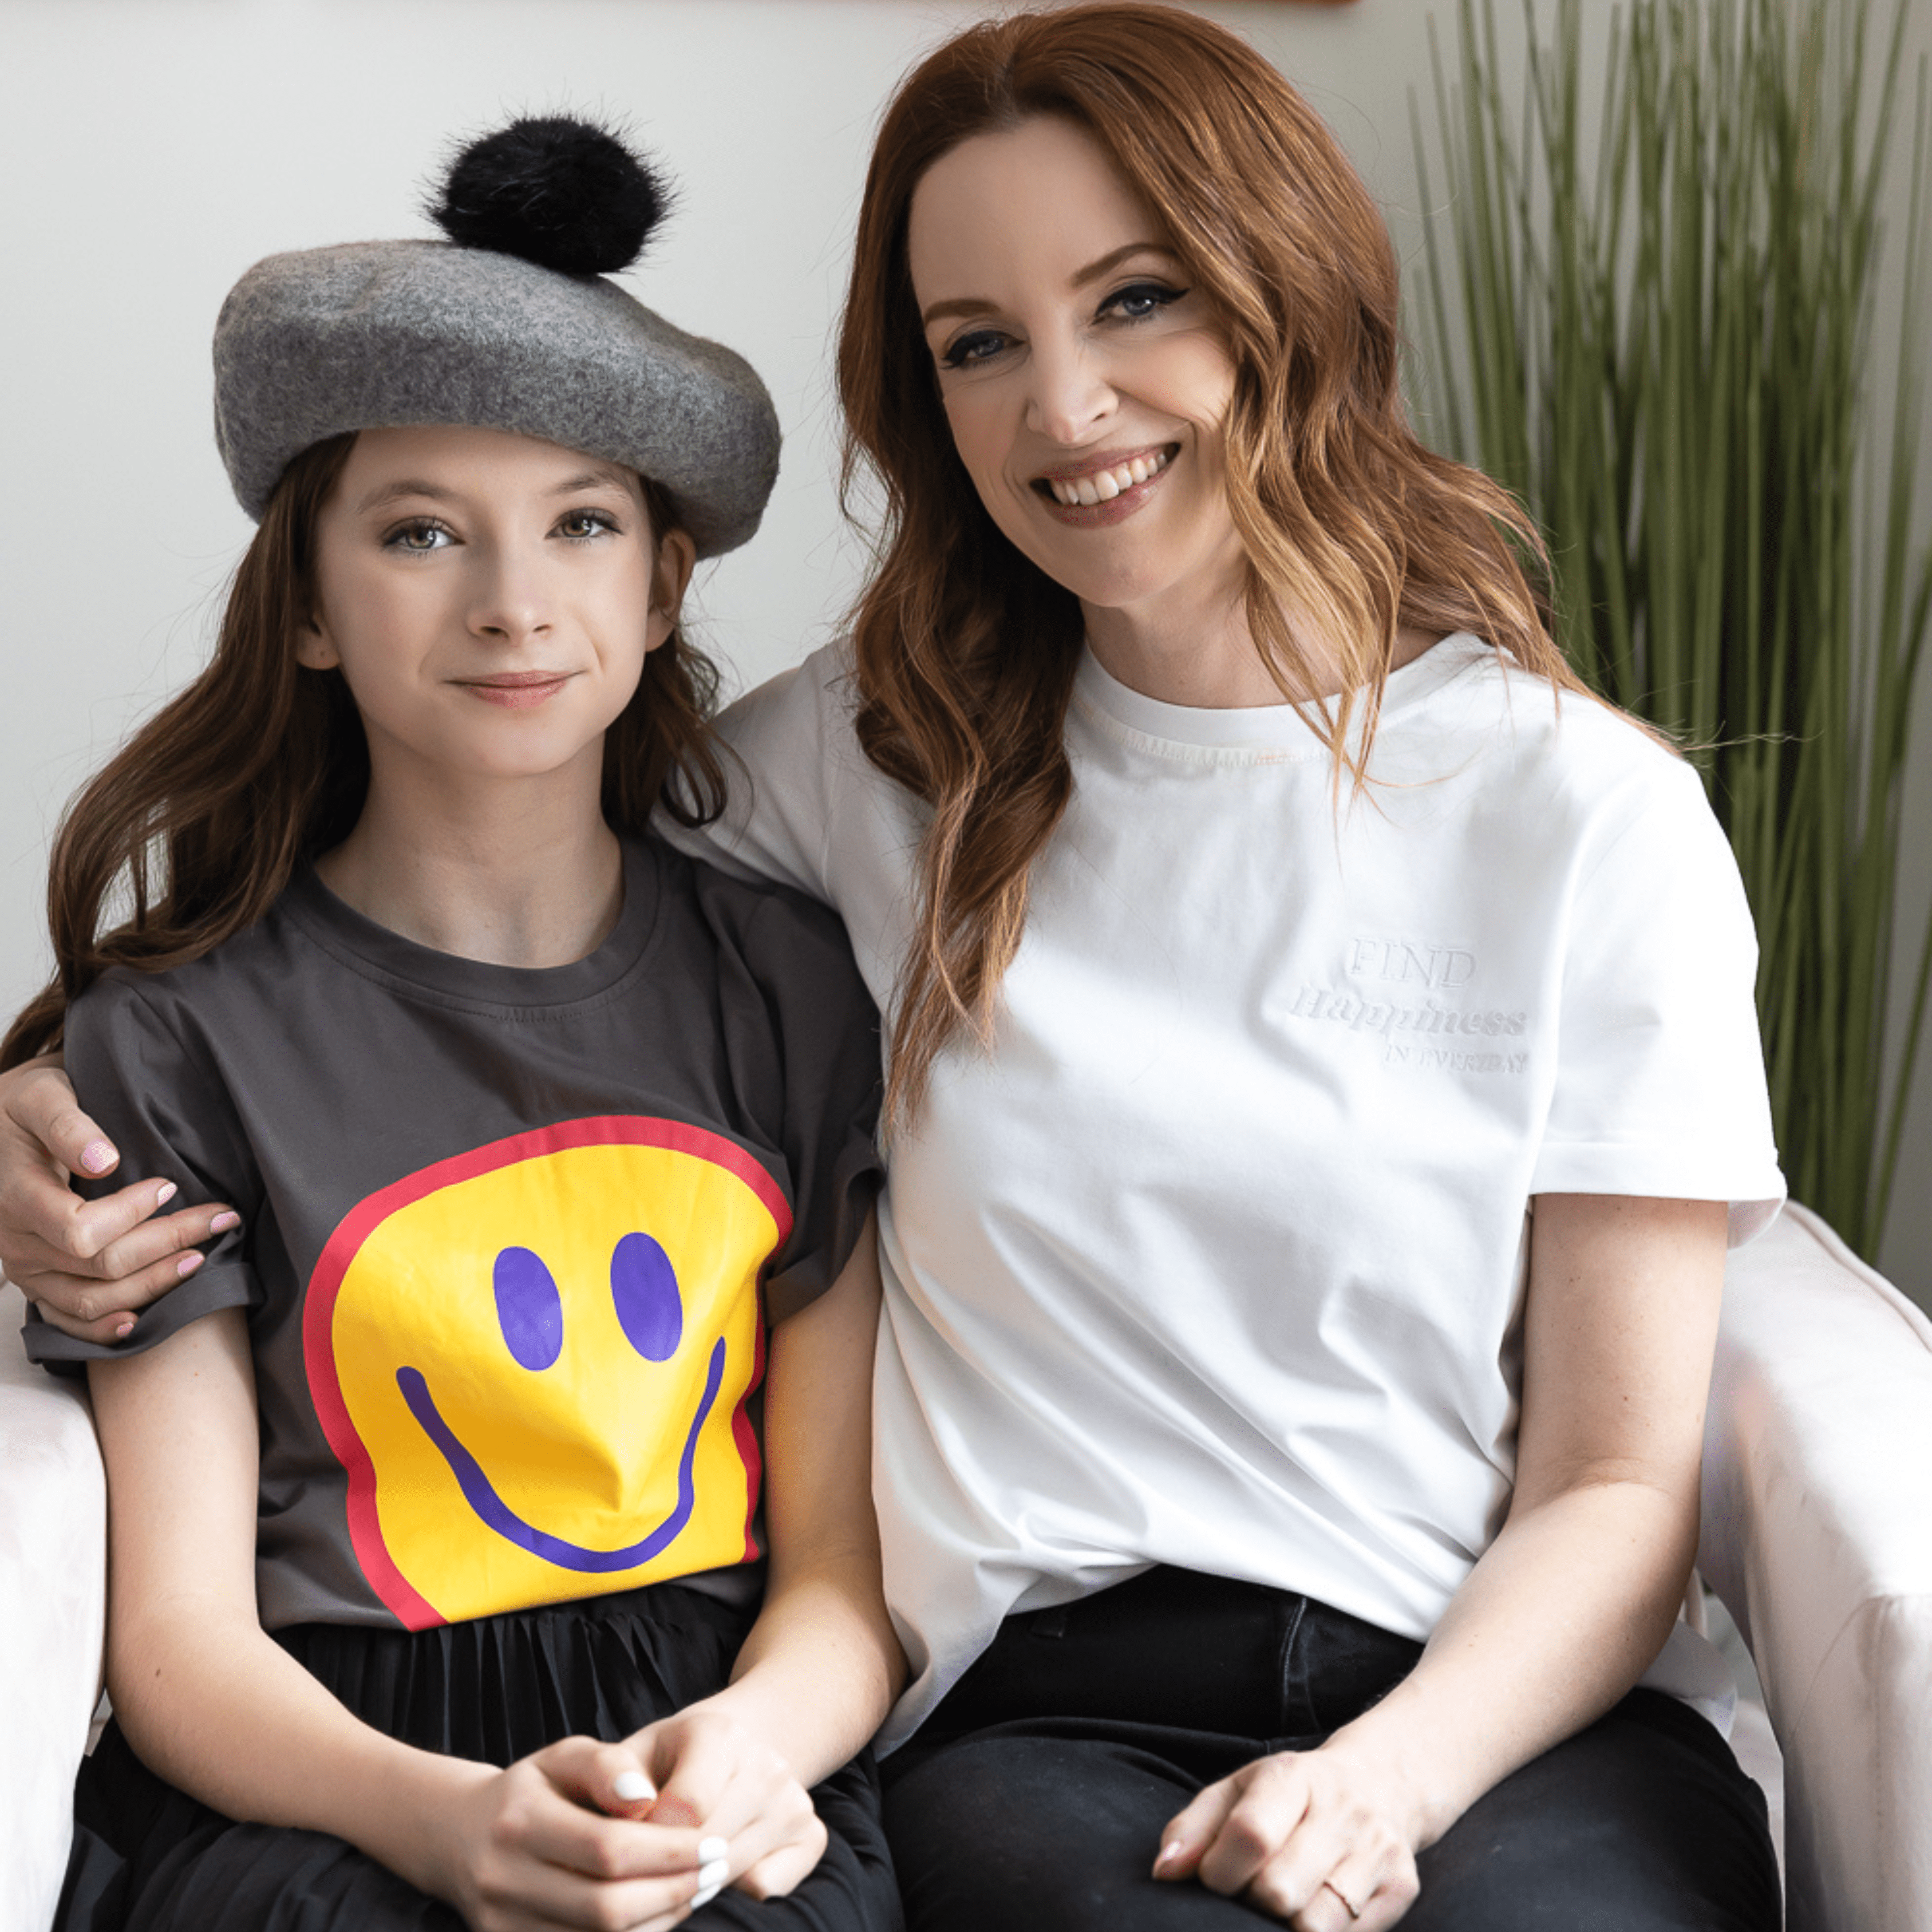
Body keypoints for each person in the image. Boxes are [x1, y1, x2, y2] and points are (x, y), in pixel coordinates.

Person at [2, 8, 1787, 1930]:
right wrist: (35, 1113)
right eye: (979, 346)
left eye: (1135, 299)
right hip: (1041, 1711)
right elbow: (468, 875)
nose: (1065, 407)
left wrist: (1381, 1781)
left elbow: (1618, 1481)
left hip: (1487, 1712)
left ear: (1293, 291)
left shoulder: (1584, 817)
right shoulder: (871, 754)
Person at [0, 117, 903, 1932]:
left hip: (707, 1748)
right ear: (315, 603)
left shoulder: (789, 986)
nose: (511, 601)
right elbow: (176, 1639)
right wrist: (446, 1821)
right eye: (421, 532)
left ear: (661, 587)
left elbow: (842, 1578)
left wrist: (751, 1752)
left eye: (581, 523)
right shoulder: (171, 1045)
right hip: (320, 1768)